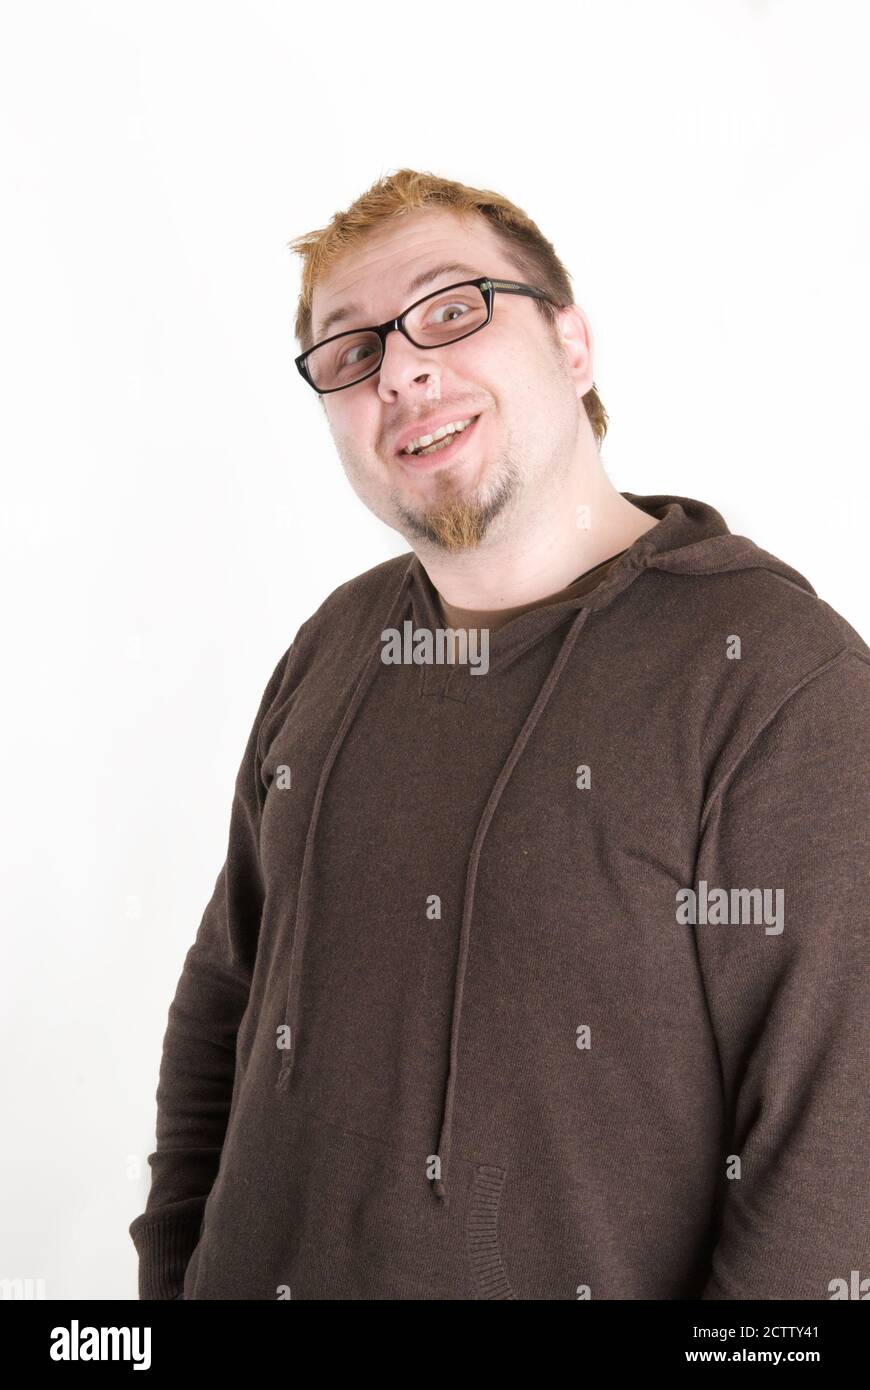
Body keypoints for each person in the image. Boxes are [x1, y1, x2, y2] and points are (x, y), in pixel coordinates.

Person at [130, 168, 870, 1300]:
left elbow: (832, 1154)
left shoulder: (778, 679)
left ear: (572, 344)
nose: (404, 369)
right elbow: (229, 989)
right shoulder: (336, 643)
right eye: (350, 352)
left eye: (450, 308)